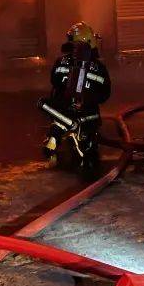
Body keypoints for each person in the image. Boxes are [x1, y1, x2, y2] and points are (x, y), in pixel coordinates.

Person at [40, 22, 111, 179]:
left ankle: (56, 132)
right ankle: (84, 142)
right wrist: (88, 97)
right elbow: (105, 94)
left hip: (62, 112)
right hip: (88, 116)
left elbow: (55, 82)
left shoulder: (60, 61)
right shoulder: (99, 67)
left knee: (50, 103)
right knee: (90, 144)